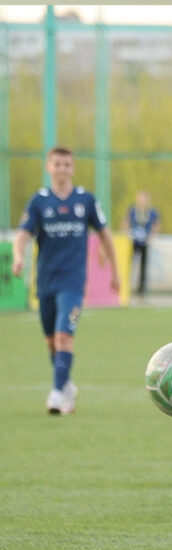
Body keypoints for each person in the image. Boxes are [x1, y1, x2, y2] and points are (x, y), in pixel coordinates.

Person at [11, 146, 121, 415]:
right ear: (48, 167)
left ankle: (57, 393)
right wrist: (18, 256)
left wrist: (115, 271)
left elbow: (105, 234)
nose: (62, 169)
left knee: (64, 335)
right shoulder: (39, 201)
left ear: (73, 168)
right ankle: (66, 385)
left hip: (73, 281)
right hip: (46, 281)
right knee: (51, 341)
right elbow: (23, 234)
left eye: (66, 164)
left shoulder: (85, 200)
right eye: (57, 164)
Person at [122, 190, 160, 295]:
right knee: (129, 265)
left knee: (143, 265)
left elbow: (156, 226)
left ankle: (141, 289)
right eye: (140, 199)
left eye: (144, 199)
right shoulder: (132, 211)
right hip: (133, 241)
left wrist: (151, 237)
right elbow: (125, 223)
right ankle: (125, 286)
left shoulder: (152, 212)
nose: (142, 202)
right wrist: (127, 234)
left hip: (144, 242)